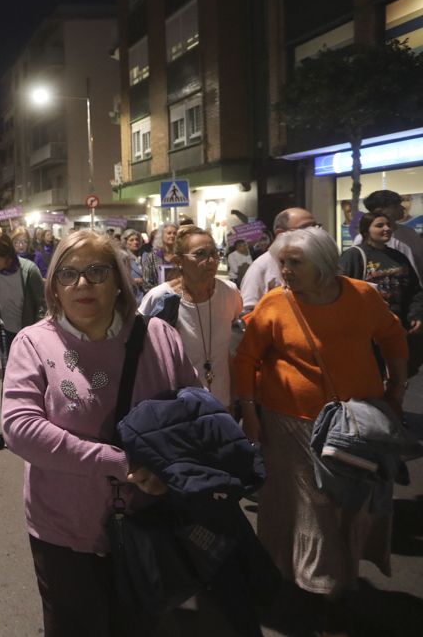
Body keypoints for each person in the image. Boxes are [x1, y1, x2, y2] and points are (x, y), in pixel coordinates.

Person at [1, 230, 199, 637]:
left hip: (152, 520)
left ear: (118, 280)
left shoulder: (158, 337)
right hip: (66, 529)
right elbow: (20, 428)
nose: (82, 284)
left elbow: (195, 410)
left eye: (96, 271)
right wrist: (120, 462)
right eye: (68, 274)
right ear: (54, 286)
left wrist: (172, 467)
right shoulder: (34, 343)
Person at [234, 227, 408, 637]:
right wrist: (250, 413)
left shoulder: (363, 296)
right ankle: (324, 593)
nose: (285, 270)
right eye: (282, 262)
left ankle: (333, 579)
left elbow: (392, 336)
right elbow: (246, 359)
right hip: (290, 425)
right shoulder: (276, 302)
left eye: (296, 263)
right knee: (310, 508)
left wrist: (396, 389)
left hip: (356, 425)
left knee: (352, 504)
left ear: (325, 264)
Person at [139, 225, 243, 408]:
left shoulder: (229, 293)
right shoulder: (160, 298)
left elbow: (226, 351)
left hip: (221, 402)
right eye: (200, 254)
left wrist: (234, 396)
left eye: (215, 253)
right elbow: (139, 348)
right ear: (179, 261)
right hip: (180, 407)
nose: (211, 260)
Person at [339, 212, 423, 375]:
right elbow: (341, 289)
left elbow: (415, 290)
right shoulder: (354, 256)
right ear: (366, 231)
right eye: (379, 225)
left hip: (398, 329)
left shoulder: (398, 256)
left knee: (399, 377)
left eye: (388, 225)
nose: (387, 229)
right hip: (369, 333)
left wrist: (416, 314)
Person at [0, 233, 46, 367]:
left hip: (28, 332)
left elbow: (42, 304)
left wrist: (38, 332)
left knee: (29, 371)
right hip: (4, 332)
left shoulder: (29, 270)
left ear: (7, 254)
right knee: (8, 372)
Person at [240, 207, 319, 313]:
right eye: (306, 228)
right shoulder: (261, 267)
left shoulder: (320, 260)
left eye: (316, 227)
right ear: (281, 233)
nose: (315, 233)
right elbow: (249, 312)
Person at [353, 189, 423, 281]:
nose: (403, 208)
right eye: (396, 205)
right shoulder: (363, 238)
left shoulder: (410, 232)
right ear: (380, 210)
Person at [140, 223, 177, 292]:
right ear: (161, 235)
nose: (172, 235)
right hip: (158, 296)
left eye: (175, 233)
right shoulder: (152, 257)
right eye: (169, 233)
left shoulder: (181, 256)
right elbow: (146, 283)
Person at [119, 228, 146, 301]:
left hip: (146, 295)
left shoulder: (145, 255)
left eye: (137, 239)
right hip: (132, 296)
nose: (135, 242)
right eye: (131, 240)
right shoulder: (123, 257)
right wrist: (134, 281)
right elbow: (120, 278)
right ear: (125, 242)